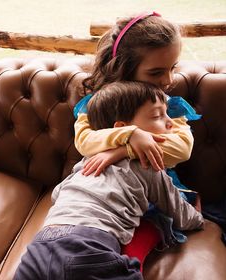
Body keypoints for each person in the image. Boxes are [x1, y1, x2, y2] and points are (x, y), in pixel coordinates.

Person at [13, 81, 204, 280]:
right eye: (157, 115)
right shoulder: (148, 167)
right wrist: (198, 217)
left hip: (41, 245)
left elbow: (58, 193)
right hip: (89, 247)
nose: (169, 121)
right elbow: (179, 213)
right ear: (121, 128)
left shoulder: (87, 163)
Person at [73, 11, 201, 267]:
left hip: (154, 196)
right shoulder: (96, 105)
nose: (168, 80)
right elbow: (85, 141)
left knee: (129, 254)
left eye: (172, 68)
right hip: (107, 195)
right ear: (126, 67)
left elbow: (182, 147)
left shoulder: (168, 107)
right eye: (156, 73)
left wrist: (121, 151)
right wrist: (131, 135)